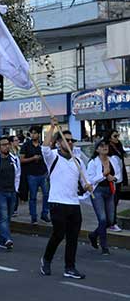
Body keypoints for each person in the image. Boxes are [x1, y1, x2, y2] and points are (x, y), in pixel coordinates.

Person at [40, 118, 92, 280]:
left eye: (71, 141)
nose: (70, 143)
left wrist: (88, 186)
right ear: (58, 143)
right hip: (57, 202)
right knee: (58, 234)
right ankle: (46, 260)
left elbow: (85, 182)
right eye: (66, 140)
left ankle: (70, 267)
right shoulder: (53, 156)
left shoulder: (77, 161)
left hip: (73, 203)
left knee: (73, 238)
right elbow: (44, 148)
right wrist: (52, 127)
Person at [86, 140, 122, 255]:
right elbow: (90, 179)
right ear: (97, 149)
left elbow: (119, 175)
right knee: (102, 219)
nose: (105, 147)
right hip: (97, 192)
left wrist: (114, 178)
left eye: (106, 145)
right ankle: (104, 246)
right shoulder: (93, 162)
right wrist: (103, 175)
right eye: (102, 146)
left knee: (110, 221)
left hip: (110, 191)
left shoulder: (113, 160)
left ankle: (93, 235)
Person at [20, 126, 50, 225]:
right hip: (31, 174)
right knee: (33, 197)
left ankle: (44, 214)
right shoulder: (26, 145)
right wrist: (33, 158)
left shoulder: (43, 145)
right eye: (32, 133)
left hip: (43, 173)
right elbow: (21, 159)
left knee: (46, 194)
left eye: (35, 133)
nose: (33, 135)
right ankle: (34, 217)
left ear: (39, 134)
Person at [107, 129, 126, 232]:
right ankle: (112, 223)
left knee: (114, 202)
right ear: (110, 137)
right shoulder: (108, 148)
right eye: (115, 136)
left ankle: (110, 222)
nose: (117, 138)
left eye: (118, 136)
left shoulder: (118, 146)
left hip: (119, 179)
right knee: (112, 202)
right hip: (112, 180)